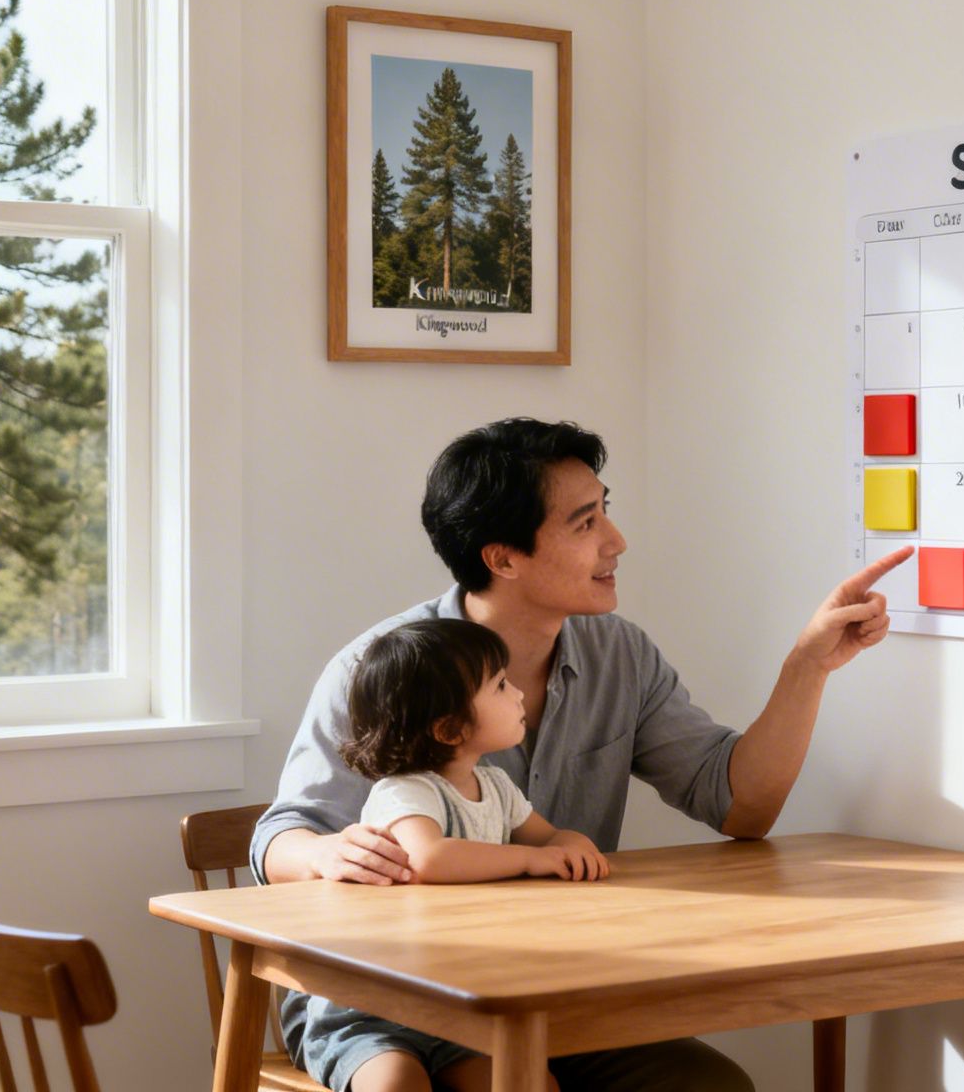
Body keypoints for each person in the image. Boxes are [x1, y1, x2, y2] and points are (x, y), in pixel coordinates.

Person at [253, 417, 912, 1092]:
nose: (616, 541)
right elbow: (278, 839)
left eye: (606, 511)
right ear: (503, 557)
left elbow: (740, 804)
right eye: (584, 522)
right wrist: (326, 854)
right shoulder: (380, 668)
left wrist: (807, 667)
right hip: (383, 1003)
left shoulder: (618, 654)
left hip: (557, 994)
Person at [344, 618, 611, 889]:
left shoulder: (496, 786)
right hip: (419, 928)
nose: (518, 694)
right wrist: (529, 859)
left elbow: (549, 837)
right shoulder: (405, 791)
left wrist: (573, 846)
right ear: (450, 729)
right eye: (501, 685)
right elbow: (427, 858)